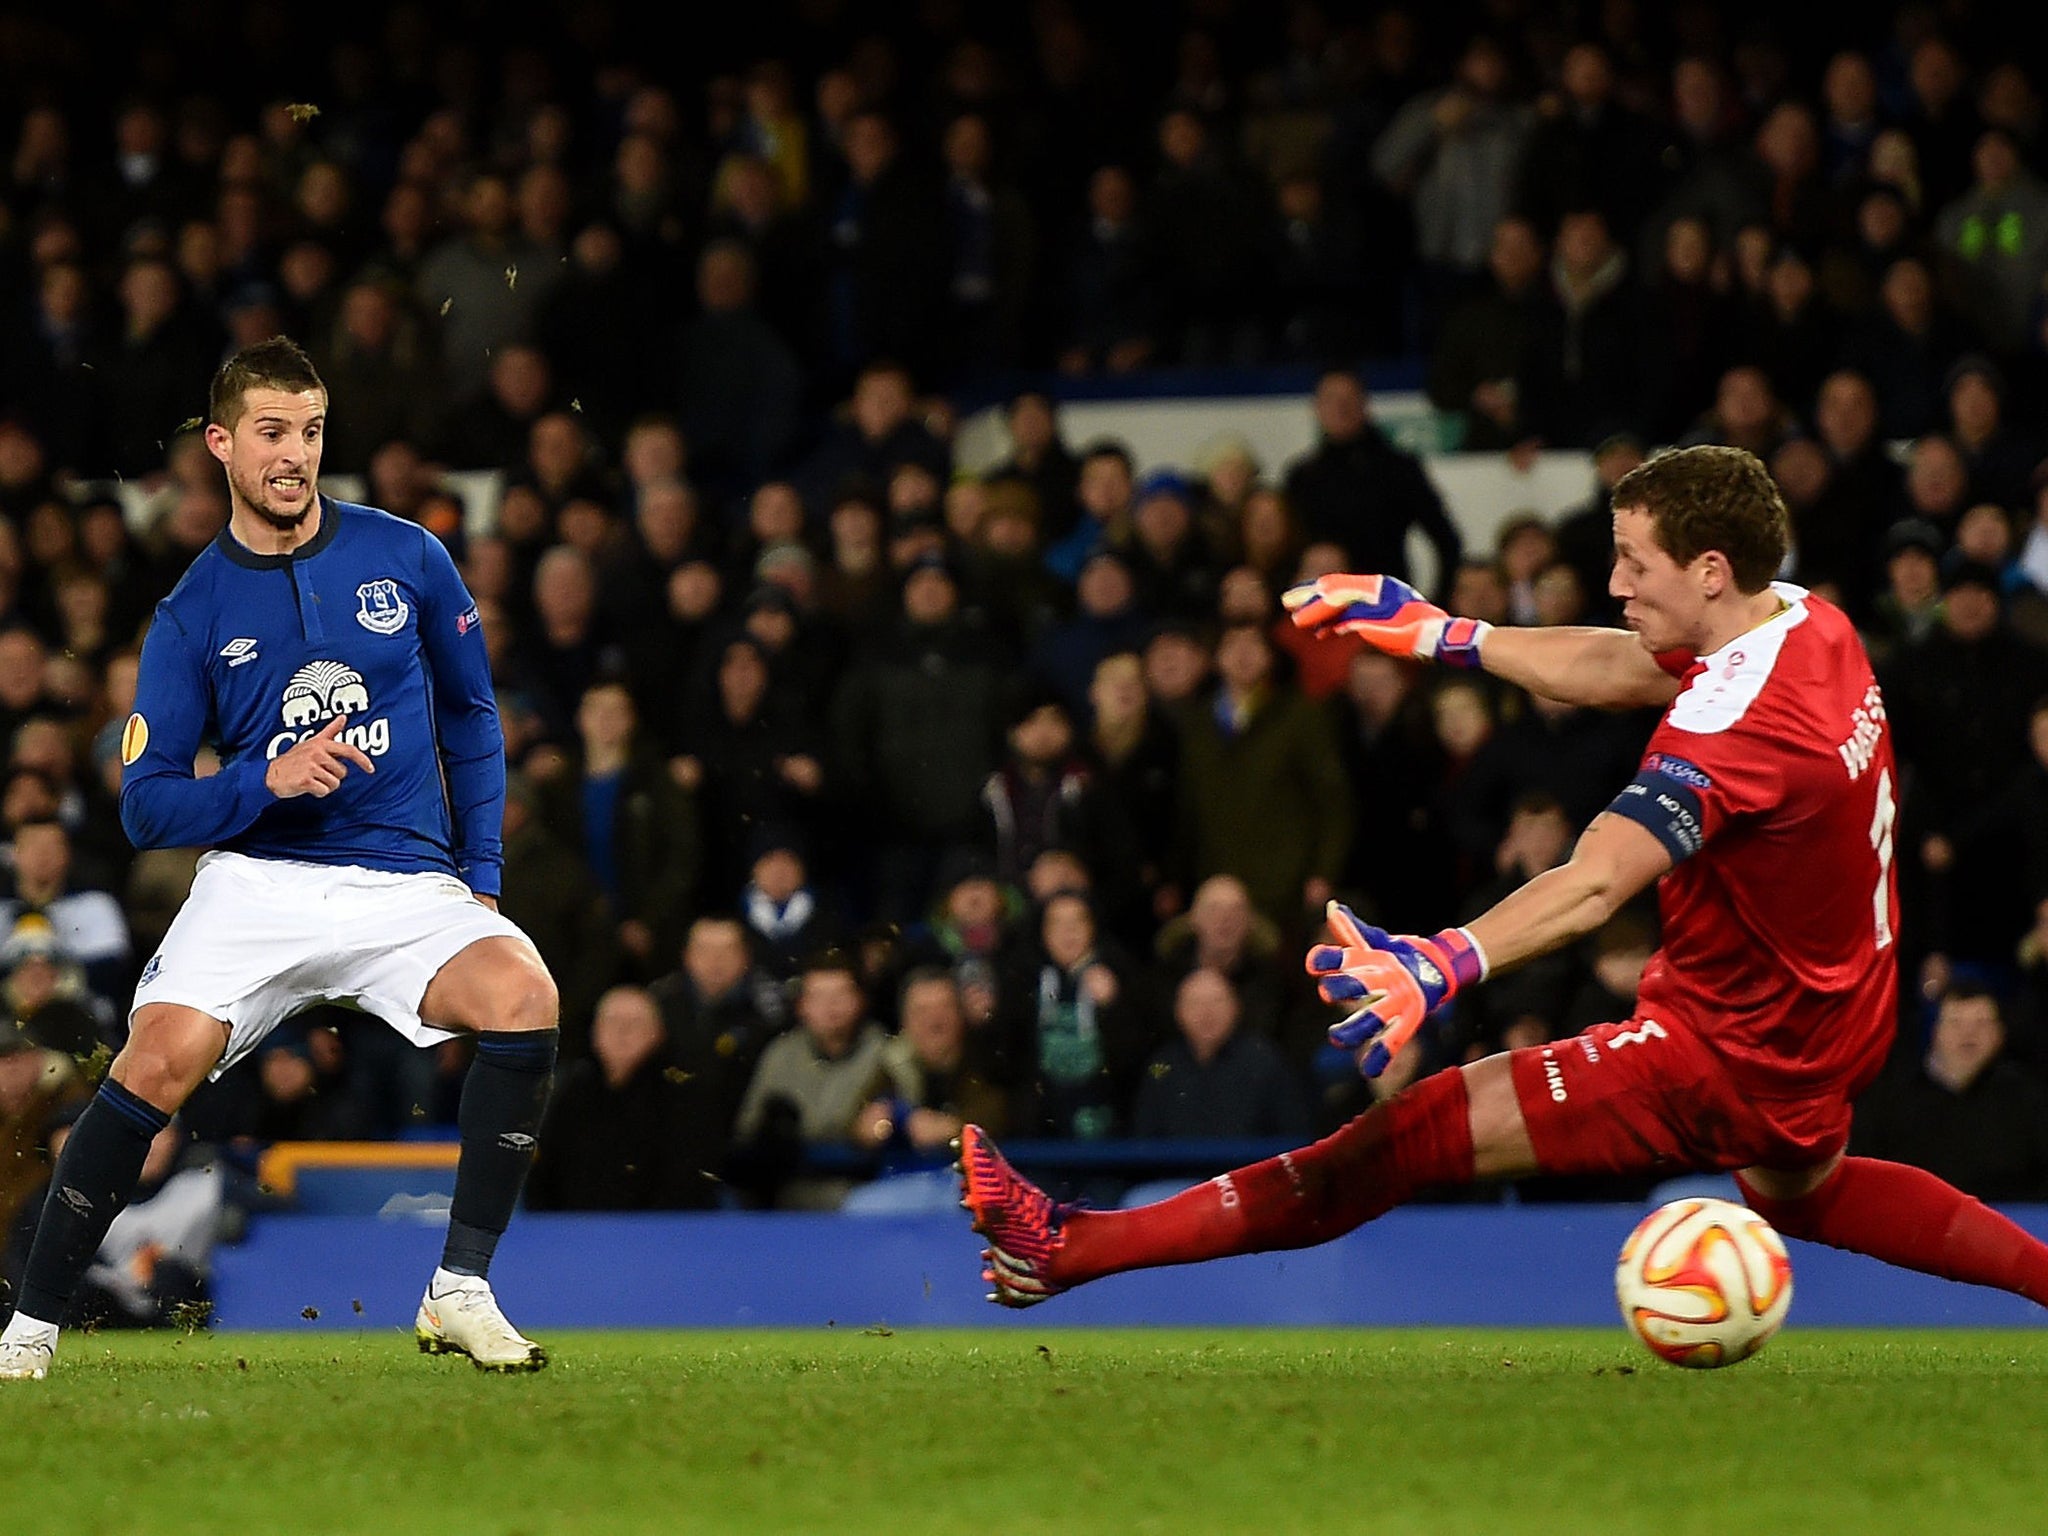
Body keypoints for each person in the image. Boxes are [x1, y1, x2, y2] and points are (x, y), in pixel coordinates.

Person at [957, 443, 2048, 1321]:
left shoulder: (1733, 722)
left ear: (1709, 569)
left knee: (1406, 1134)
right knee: (1801, 1193)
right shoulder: (1806, 621)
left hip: (1719, 1050)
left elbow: (1590, 882)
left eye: (1634, 562)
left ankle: (1070, 1245)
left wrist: (1442, 962)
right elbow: (1623, 666)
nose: (1614, 582)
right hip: (1835, 1013)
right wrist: (1447, 635)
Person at [1, 338, 559, 1381]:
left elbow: (473, 718)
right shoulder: (189, 613)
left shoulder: (409, 555)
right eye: (270, 433)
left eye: (309, 431)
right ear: (221, 445)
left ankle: (460, 1292)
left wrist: (479, 879)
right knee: (152, 1065)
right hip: (259, 884)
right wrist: (267, 779)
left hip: (405, 880)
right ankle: (28, 1333)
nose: (294, 455)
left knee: (526, 995)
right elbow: (149, 806)